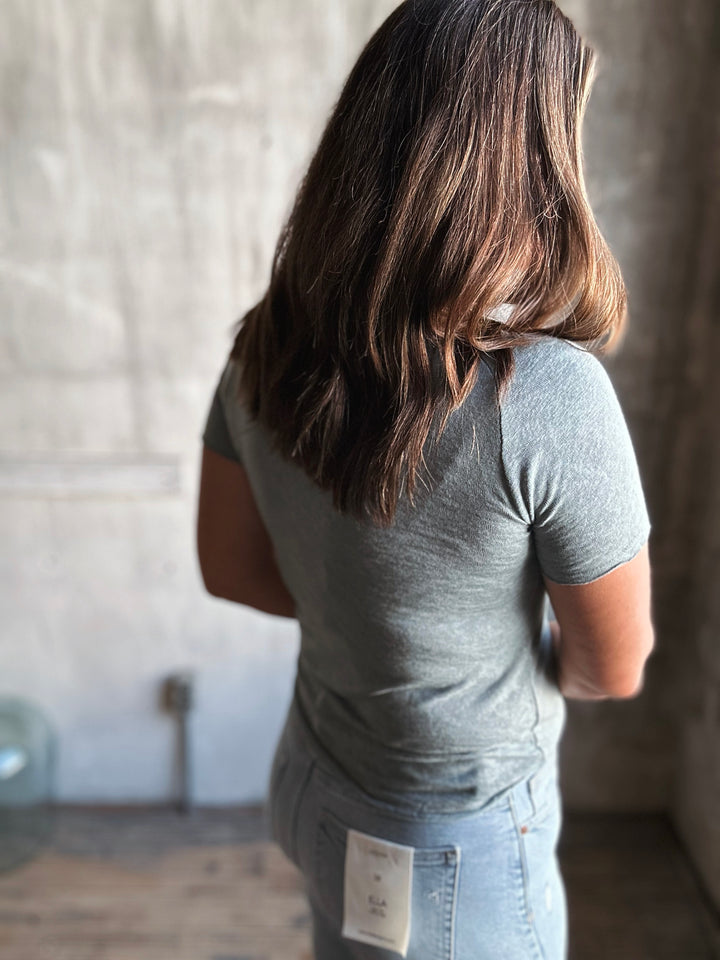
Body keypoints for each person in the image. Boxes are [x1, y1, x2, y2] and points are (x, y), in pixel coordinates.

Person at [196, 1, 655, 957]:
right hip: (453, 849)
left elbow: (231, 569)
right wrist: (459, 657)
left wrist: (374, 626)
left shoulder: (266, 343)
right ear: (530, 163)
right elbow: (611, 668)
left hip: (315, 781)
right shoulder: (544, 395)